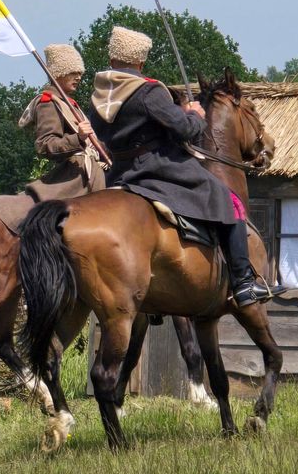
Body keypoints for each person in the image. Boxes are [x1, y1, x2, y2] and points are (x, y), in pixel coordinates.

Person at [88, 27, 273, 307]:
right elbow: (184, 130)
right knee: (231, 200)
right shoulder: (148, 91)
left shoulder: (99, 96)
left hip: (119, 173)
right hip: (157, 169)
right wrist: (195, 116)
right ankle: (244, 283)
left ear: (112, 60)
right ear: (140, 62)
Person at [18, 43, 107, 202]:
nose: (78, 77)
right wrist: (78, 138)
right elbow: (45, 145)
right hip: (74, 174)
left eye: (79, 73)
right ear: (58, 73)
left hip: (93, 169)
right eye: (72, 72)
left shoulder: (69, 103)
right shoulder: (48, 103)